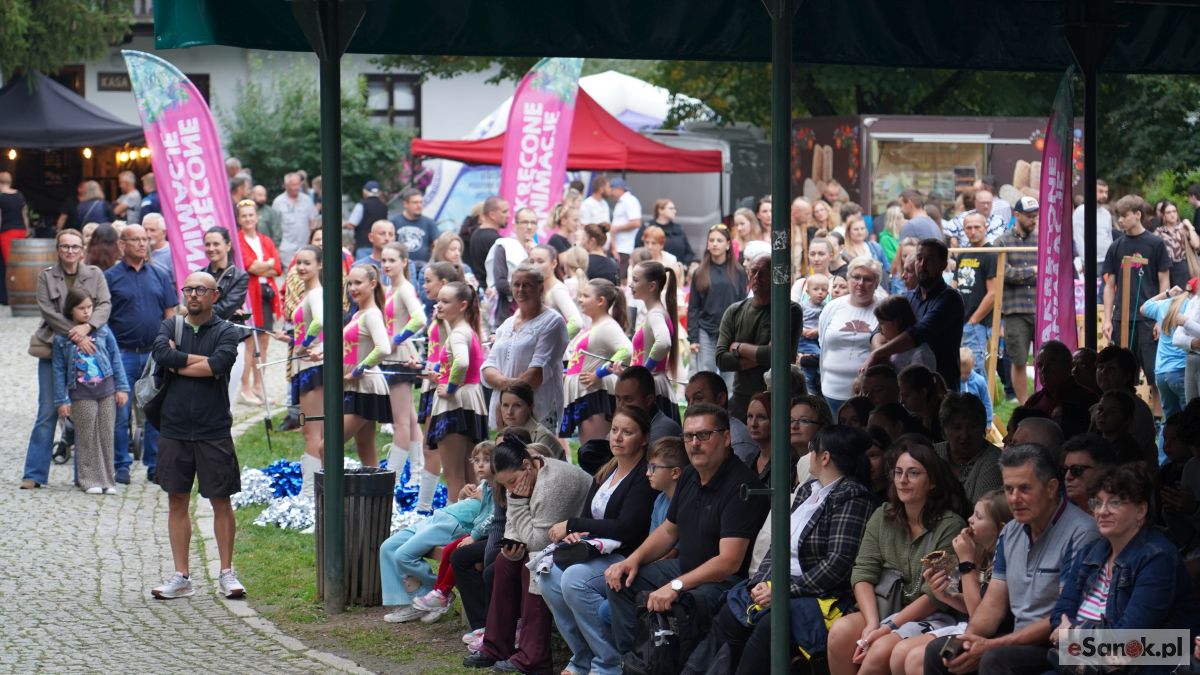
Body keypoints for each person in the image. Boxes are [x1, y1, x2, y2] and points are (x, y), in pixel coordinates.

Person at [703, 425, 877, 674]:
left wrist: (782, 591)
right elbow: (779, 544)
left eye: (812, 449)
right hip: (778, 585)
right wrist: (761, 582)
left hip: (818, 594)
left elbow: (838, 563)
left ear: (824, 457)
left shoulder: (853, 497)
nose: (808, 455)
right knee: (729, 615)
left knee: (772, 625)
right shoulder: (808, 489)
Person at [603, 403, 769, 661]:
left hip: (724, 583)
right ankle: (635, 663)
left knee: (685, 603)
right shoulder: (690, 475)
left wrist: (676, 585)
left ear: (726, 438)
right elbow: (669, 531)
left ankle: (673, 667)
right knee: (622, 581)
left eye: (704, 435)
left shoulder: (741, 486)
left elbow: (729, 562)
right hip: (685, 568)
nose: (694, 443)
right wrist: (632, 560)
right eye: (689, 436)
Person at [923, 444, 1099, 675]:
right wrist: (967, 641)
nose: (1014, 499)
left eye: (1025, 488)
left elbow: (1063, 615)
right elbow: (993, 605)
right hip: (1018, 637)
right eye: (1009, 489)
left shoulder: (1082, 532)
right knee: (940, 651)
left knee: (995, 659)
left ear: (1051, 488)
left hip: (1059, 643)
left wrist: (992, 645)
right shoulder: (1010, 531)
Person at [826, 437, 968, 675]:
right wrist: (872, 623)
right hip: (884, 607)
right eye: (898, 472)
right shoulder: (883, 515)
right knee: (840, 632)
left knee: (879, 649)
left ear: (932, 481)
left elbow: (935, 595)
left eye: (913, 473)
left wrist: (888, 627)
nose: (903, 480)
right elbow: (863, 572)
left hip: (932, 616)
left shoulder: (950, 525)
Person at [149, 271, 245, 600]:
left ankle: (226, 572)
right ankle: (182, 576)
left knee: (221, 500)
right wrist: (201, 364)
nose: (193, 295)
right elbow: (162, 355)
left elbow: (221, 364)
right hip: (174, 426)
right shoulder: (170, 326)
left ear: (214, 296)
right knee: (177, 499)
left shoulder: (226, 331)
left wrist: (180, 363)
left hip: (213, 427)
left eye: (201, 290)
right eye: (188, 289)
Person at [541, 406, 658, 675]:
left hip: (626, 556)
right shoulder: (607, 470)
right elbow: (587, 517)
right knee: (549, 577)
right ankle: (582, 658)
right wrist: (576, 534)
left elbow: (626, 529)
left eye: (627, 432)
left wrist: (574, 525)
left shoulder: (644, 476)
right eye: (614, 430)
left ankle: (610, 662)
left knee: (574, 580)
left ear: (644, 438)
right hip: (594, 551)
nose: (617, 437)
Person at [1048, 465, 1200, 670]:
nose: (1102, 511)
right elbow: (1059, 615)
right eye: (1097, 502)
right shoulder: (1089, 552)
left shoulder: (1158, 557)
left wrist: (1073, 634)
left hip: (1141, 667)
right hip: (1083, 663)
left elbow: (1127, 640)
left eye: (1115, 502)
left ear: (1141, 511)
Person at [463, 432, 592, 673]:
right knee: (504, 562)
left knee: (533, 566)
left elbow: (537, 543)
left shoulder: (553, 483)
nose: (510, 488)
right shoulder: (520, 475)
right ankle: (496, 646)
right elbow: (515, 523)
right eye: (505, 485)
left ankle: (534, 656)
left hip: (581, 541)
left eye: (512, 482)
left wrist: (516, 502)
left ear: (527, 465)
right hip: (550, 540)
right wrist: (511, 543)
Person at [22, 230, 112, 489]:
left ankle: (85, 477)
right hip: (54, 349)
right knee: (47, 411)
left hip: (89, 352)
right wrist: (76, 333)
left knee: (85, 413)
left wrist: (88, 328)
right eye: (65, 246)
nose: (70, 251)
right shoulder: (46, 276)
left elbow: (104, 305)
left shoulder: (95, 274)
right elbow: (47, 311)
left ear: (82, 250)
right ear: (58, 250)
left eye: (75, 247)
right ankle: (34, 474)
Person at [898, 490, 1012, 675]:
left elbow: (979, 615)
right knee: (905, 655)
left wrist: (966, 563)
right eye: (973, 513)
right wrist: (945, 595)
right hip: (975, 628)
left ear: (1001, 529)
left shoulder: (1004, 558)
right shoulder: (983, 552)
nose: (970, 520)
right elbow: (976, 605)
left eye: (979, 516)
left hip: (1000, 634)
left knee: (917, 658)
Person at [381, 450, 490, 624]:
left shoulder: (499, 488)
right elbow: (464, 505)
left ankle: (436, 594)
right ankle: (410, 600)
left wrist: (484, 498)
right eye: (477, 460)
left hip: (452, 524)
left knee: (403, 555)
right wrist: (462, 496)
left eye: (487, 460)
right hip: (438, 517)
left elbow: (492, 516)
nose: (481, 465)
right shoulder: (483, 485)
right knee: (388, 547)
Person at [106, 223, 178, 484]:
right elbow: (103, 317)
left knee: (154, 411)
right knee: (120, 413)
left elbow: (170, 313)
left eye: (144, 239)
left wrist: (168, 344)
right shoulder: (110, 277)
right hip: (122, 354)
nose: (141, 244)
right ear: (122, 244)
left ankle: (153, 465)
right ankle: (121, 465)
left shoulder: (159, 274)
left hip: (153, 354)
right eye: (135, 239)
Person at [52, 288, 128, 494]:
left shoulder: (103, 330)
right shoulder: (62, 339)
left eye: (89, 307)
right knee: (87, 437)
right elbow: (58, 370)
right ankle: (88, 479)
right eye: (81, 308)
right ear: (71, 310)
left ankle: (108, 480)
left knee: (106, 435)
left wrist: (122, 387)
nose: (86, 312)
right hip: (81, 394)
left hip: (107, 391)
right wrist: (61, 400)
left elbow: (115, 358)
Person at [868, 239, 964, 394]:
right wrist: (881, 355)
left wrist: (878, 354)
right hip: (907, 390)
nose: (922, 265)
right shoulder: (908, 297)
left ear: (943, 265)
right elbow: (878, 329)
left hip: (940, 388)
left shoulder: (950, 299)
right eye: (919, 258)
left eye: (930, 260)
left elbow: (919, 333)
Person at [717, 254, 805, 419]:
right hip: (742, 397)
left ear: (775, 275)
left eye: (764, 272)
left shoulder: (789, 310)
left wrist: (739, 347)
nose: (757, 277)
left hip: (777, 397)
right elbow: (721, 359)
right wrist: (764, 356)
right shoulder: (734, 311)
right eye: (753, 271)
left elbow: (777, 356)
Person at [483, 263, 569, 430]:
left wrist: (505, 391)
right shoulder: (507, 324)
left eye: (527, 285)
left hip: (536, 409)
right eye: (516, 284)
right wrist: (506, 387)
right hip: (506, 411)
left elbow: (537, 373)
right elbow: (489, 366)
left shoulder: (552, 322)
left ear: (540, 288)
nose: (521, 290)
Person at [1103, 194, 1171, 394]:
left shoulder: (1156, 244)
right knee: (1122, 378)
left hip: (1148, 320)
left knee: (1154, 376)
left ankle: (1157, 414)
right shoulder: (1116, 246)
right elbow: (1109, 285)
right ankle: (1126, 411)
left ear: (1138, 215)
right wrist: (1107, 319)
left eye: (1124, 215)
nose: (1120, 220)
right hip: (1121, 319)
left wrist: (1160, 318)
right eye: (1119, 216)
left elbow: (1164, 282)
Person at [428, 280, 489, 499]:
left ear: (462, 305)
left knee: (454, 478)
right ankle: (475, 518)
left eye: (445, 301)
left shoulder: (458, 333)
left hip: (456, 402)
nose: (439, 305)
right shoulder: (467, 330)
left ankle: (453, 519)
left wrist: (451, 387)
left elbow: (461, 362)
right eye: (438, 301)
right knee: (472, 478)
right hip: (471, 400)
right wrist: (439, 373)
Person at [561, 279, 632, 443]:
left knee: (594, 449)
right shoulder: (596, 325)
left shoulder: (607, 326)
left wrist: (599, 373)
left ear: (600, 301)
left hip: (594, 395)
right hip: (585, 393)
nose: (580, 299)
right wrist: (568, 373)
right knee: (588, 449)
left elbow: (626, 350)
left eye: (586, 296)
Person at [379, 242, 426, 476]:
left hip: (398, 358)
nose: (387, 265)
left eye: (392, 260)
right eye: (384, 260)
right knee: (408, 417)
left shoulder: (405, 289)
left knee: (401, 421)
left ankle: (393, 476)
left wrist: (396, 340)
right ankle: (417, 472)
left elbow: (419, 319)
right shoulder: (390, 289)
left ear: (404, 262)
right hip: (391, 356)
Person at [342, 264, 394, 468]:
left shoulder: (372, 314)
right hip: (356, 386)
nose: (352, 288)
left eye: (358, 283)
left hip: (366, 387)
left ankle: (330, 489)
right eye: (350, 284)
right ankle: (379, 490)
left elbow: (383, 348)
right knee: (366, 450)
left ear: (372, 284)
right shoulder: (359, 314)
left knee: (326, 448)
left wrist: (358, 370)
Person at [283, 245, 325, 497]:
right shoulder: (308, 293)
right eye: (298, 262)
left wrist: (303, 345)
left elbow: (320, 321)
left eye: (307, 263)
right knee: (313, 429)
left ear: (319, 265)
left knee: (311, 430)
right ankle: (317, 488)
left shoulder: (316, 293)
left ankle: (309, 493)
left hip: (313, 367)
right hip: (307, 366)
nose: (301, 267)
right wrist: (291, 339)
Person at [819, 257, 883, 415]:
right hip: (830, 391)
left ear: (877, 283)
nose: (860, 283)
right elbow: (823, 342)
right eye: (856, 277)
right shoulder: (832, 307)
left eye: (867, 279)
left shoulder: (884, 309)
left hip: (869, 396)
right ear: (848, 278)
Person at [235, 200, 283, 406]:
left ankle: (258, 385)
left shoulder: (266, 240)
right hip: (249, 295)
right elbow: (249, 266)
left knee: (263, 342)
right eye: (244, 215)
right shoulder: (238, 240)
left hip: (266, 294)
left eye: (251, 215)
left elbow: (277, 268)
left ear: (257, 217)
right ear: (239, 219)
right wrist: (266, 264)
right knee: (249, 342)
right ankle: (244, 387)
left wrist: (263, 266)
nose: (248, 219)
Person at [630, 259, 685, 422]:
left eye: (635, 280)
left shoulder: (655, 314)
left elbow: (663, 342)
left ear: (652, 286)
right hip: (650, 384)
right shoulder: (655, 312)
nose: (631, 284)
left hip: (650, 386)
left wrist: (645, 371)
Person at [1093, 345, 1158, 462]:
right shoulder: (1098, 405)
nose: (1103, 372)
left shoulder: (1136, 408)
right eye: (1100, 367)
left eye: (1111, 369)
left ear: (1127, 375)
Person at [935, 392, 1002, 502]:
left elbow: (984, 507)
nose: (964, 435)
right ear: (944, 430)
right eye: (957, 428)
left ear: (983, 428)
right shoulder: (933, 453)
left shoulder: (994, 460)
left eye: (972, 427)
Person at [953, 213, 997, 378]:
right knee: (963, 366)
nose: (972, 231)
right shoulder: (964, 253)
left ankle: (980, 396)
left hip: (979, 322)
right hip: (961, 320)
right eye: (968, 228)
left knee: (974, 369)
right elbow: (955, 285)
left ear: (985, 227)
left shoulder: (991, 253)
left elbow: (993, 293)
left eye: (977, 227)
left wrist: (973, 320)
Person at [684, 371, 758, 464]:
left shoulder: (738, 441)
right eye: (688, 400)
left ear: (720, 399)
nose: (690, 406)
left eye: (698, 398)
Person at [1141, 284, 1191, 418]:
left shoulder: (1165, 304)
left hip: (1161, 373)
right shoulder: (1192, 307)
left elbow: (1144, 307)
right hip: (1181, 371)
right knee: (1189, 419)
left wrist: (1167, 293)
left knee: (1170, 420)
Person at [485, 207, 537, 327]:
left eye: (533, 222)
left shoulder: (539, 251)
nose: (529, 227)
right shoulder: (504, 246)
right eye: (525, 222)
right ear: (514, 226)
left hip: (533, 314)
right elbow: (501, 283)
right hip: (507, 313)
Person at [1024, 340, 1100, 418]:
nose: (1044, 370)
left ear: (1068, 365)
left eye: (1050, 364)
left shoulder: (1088, 399)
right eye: (1040, 366)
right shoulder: (1034, 401)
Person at [527, 244, 582, 339]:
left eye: (540, 261)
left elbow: (576, 323)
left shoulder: (557, 290)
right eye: (531, 262)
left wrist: (553, 342)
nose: (535, 266)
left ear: (553, 264)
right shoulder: (538, 289)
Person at [617, 366, 682, 443]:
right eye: (618, 399)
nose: (620, 405)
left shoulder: (663, 431)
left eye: (628, 399)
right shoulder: (625, 424)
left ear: (648, 400)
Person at [873, 295, 936, 371]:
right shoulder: (889, 347)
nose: (879, 327)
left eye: (881, 323)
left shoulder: (920, 354)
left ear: (897, 322)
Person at [498, 381, 560, 458]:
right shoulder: (503, 434)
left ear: (530, 407)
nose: (509, 412)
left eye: (517, 405)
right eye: (505, 405)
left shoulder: (542, 437)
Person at [1059, 434, 1117, 513]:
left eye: (1076, 470)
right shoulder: (1061, 512)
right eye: (1064, 470)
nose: (1067, 477)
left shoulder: (1121, 515)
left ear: (1104, 471)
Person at [273, 171, 319, 266]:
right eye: (294, 185)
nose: (297, 187)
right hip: (285, 251)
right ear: (286, 186)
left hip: (305, 248)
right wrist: (276, 249)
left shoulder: (307, 200)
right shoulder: (278, 202)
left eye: (298, 184)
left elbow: (313, 222)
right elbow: (274, 227)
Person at [637, 199, 697, 269]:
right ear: (660, 210)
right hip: (652, 268)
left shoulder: (678, 228)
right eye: (671, 208)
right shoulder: (648, 227)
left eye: (675, 209)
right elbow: (638, 249)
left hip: (678, 268)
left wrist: (685, 265)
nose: (674, 211)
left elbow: (689, 252)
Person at [796, 272, 829, 397]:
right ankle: (809, 392)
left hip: (818, 339)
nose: (820, 292)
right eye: (816, 289)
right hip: (805, 340)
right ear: (808, 291)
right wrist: (803, 330)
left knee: (813, 367)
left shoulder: (827, 307)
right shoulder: (803, 306)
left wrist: (817, 331)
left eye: (823, 290)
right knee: (819, 357)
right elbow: (796, 322)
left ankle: (814, 387)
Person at [1072, 179, 1114, 277]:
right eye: (1100, 191)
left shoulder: (1106, 213)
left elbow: (1109, 237)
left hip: (1106, 260)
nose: (1104, 195)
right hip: (1090, 262)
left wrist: (1111, 257)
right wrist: (1084, 260)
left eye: (1106, 192)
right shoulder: (1081, 211)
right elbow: (1078, 238)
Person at [390, 187, 440, 266]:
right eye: (415, 202)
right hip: (400, 266)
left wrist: (431, 263)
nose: (419, 205)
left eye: (421, 202)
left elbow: (437, 245)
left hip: (423, 266)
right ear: (405, 204)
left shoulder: (429, 223)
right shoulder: (394, 222)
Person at [0, 170, 29, 301]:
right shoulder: (19, 195)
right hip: (20, 231)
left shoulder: (1, 197)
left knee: (9, 265)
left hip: (7, 232)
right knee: (19, 263)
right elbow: (25, 214)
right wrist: (26, 229)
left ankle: (9, 295)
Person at [898, 364, 947, 442]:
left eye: (906, 395)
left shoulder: (944, 418)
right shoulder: (914, 421)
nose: (901, 401)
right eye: (900, 396)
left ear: (923, 392)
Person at [607, 178, 642, 275]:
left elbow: (636, 222)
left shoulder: (630, 201)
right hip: (619, 248)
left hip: (625, 248)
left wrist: (616, 228)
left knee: (622, 277)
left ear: (619, 189)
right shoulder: (621, 202)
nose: (610, 193)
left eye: (612, 189)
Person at [347, 180, 390, 260]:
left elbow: (352, 224)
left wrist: (343, 224)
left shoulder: (361, 205)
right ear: (380, 192)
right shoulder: (384, 206)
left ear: (365, 192)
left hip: (363, 245)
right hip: (379, 245)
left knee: (363, 266)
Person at [141, 213, 176, 290]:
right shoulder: (138, 250)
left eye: (152, 230)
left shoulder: (172, 254)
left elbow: (178, 285)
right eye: (145, 230)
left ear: (164, 233)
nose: (148, 234)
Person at [958, 348, 993, 424]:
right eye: (961, 373)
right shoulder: (955, 381)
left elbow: (986, 402)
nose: (963, 376)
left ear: (973, 366)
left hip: (976, 420)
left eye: (967, 373)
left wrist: (988, 421)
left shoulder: (980, 381)